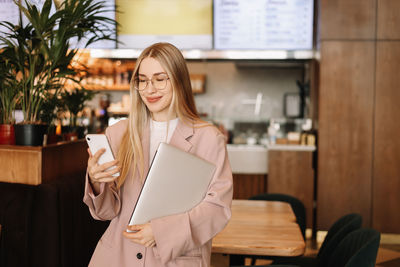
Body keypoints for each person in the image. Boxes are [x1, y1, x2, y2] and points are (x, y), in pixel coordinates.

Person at [84, 42, 233, 267]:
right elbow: (105, 212)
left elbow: (217, 208)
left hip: (176, 260)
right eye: (142, 80)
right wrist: (96, 182)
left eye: (160, 79)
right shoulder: (117, 134)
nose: (149, 89)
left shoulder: (209, 139)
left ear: (179, 80)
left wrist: (162, 232)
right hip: (117, 258)